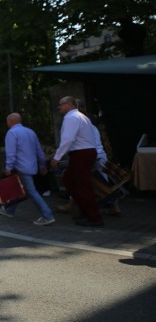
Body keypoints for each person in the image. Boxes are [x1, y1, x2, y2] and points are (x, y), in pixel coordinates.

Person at [0, 113, 55, 225]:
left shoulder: (12, 133)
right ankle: (9, 210)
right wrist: (42, 165)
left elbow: (11, 153)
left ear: (11, 121)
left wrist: (8, 167)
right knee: (18, 188)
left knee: (31, 191)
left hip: (21, 166)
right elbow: (39, 150)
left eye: (7, 121)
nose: (7, 124)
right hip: (32, 166)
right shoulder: (30, 132)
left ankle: (47, 215)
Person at [51, 96, 102, 226]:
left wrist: (57, 157)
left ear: (69, 104)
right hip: (85, 152)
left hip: (81, 153)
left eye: (61, 105)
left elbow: (68, 139)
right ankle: (85, 210)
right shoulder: (81, 117)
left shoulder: (71, 118)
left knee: (83, 186)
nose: (59, 107)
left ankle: (93, 217)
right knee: (69, 180)